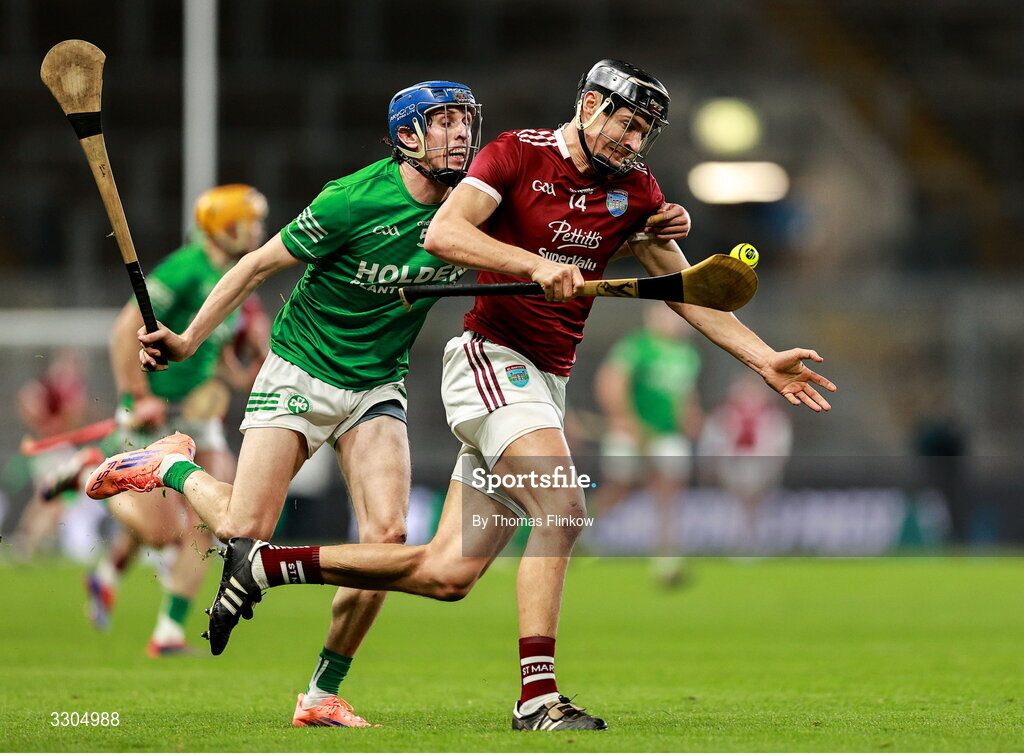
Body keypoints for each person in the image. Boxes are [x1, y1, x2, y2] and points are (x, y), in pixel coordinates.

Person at [90, 60, 835, 731]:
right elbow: (400, 241)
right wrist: (188, 339)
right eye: (622, 119)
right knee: (557, 507)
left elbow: (685, 287)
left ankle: (309, 662)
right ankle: (176, 469)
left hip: (393, 381)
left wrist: (763, 357)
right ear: (586, 105)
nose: (631, 138)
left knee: (439, 570)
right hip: (395, 364)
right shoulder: (484, 167)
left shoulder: (633, 192)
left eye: (644, 129)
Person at [86, 81, 483, 727]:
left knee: (387, 538)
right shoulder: (353, 200)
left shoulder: (475, 207)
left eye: (465, 120)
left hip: (377, 384)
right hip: (300, 371)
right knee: (245, 534)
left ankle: (323, 691)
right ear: (407, 136)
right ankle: (169, 467)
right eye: (443, 121)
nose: (461, 132)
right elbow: (251, 269)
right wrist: (187, 341)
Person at [51, 184, 270, 653]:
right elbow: (121, 332)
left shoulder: (233, 276)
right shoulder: (187, 267)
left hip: (198, 417)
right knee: (161, 532)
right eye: (251, 220)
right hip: (154, 414)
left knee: (218, 520)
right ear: (227, 225)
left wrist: (246, 360)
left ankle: (169, 631)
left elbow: (222, 362)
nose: (259, 230)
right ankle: (89, 470)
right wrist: (137, 392)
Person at [592, 303, 703, 584]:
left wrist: (692, 417)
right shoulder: (637, 346)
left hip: (666, 434)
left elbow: (685, 394)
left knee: (668, 491)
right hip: (631, 433)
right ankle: (580, 532)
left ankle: (666, 556)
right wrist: (622, 418)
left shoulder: (687, 354)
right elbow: (611, 380)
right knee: (619, 487)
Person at [700, 373, 793, 552]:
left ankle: (754, 541)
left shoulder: (772, 416)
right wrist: (712, 461)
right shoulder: (725, 413)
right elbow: (713, 439)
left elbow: (780, 443)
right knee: (736, 503)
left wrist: (774, 463)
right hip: (733, 462)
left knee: (757, 503)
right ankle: (736, 541)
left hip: (760, 462)